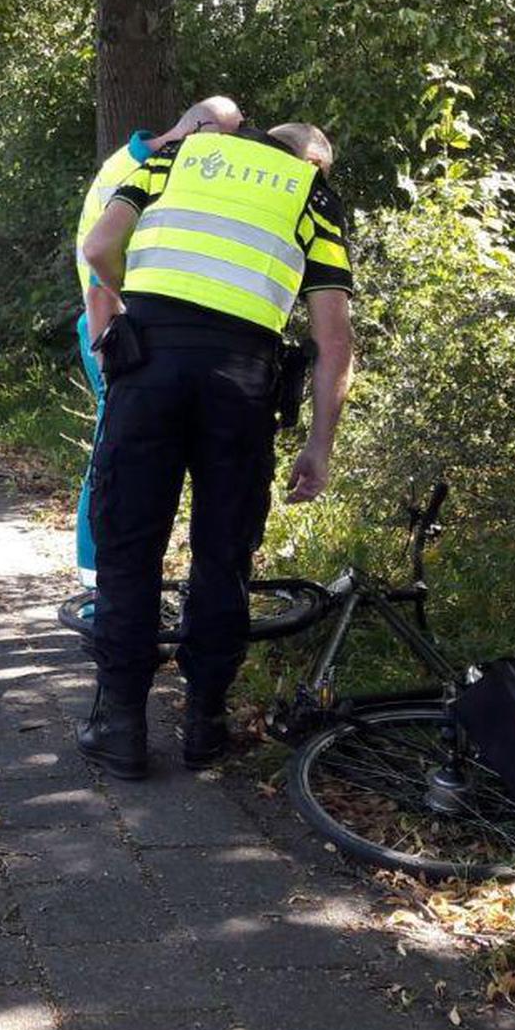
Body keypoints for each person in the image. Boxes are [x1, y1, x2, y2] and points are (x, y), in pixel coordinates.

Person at [76, 120, 354, 779]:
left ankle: (119, 725)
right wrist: (319, 445)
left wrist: (128, 305)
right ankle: (205, 721)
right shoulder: (312, 195)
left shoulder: (177, 157)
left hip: (150, 362)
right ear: (311, 159)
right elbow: (334, 342)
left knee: (128, 546)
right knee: (224, 551)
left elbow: (99, 245)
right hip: (242, 378)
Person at [70, 96, 243, 589]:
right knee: (112, 455)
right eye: (225, 144)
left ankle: (115, 588)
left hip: (133, 327)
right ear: (202, 129)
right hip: (116, 327)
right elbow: (103, 253)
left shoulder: (144, 161)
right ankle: (96, 586)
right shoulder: (136, 168)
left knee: (130, 454)